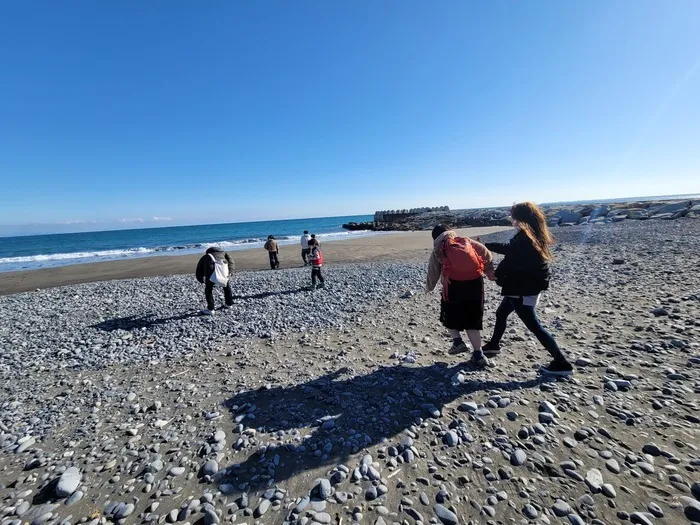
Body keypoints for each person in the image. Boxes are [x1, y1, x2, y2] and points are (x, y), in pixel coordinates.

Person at [481, 202, 574, 376]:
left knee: (534, 326)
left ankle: (562, 363)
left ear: (520, 218)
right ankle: (494, 345)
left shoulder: (526, 239)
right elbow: (511, 251)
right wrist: (486, 245)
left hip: (522, 289)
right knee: (501, 314)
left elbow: (511, 261)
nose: (510, 218)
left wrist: (494, 275)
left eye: (512, 215)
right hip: (522, 286)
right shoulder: (530, 234)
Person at [426, 224, 495, 368]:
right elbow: (487, 254)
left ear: (435, 237)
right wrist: (489, 272)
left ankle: (457, 342)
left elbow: (433, 272)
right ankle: (478, 354)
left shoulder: (439, 249)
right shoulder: (467, 241)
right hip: (475, 285)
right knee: (472, 321)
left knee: (448, 316)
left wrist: (429, 287)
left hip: (453, 286)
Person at [195, 246, 235, 315]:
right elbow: (231, 262)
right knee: (226, 287)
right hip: (223, 273)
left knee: (208, 290)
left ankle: (211, 309)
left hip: (210, 274)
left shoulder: (206, 256)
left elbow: (199, 268)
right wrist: (231, 272)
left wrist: (200, 279)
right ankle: (229, 304)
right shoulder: (224, 254)